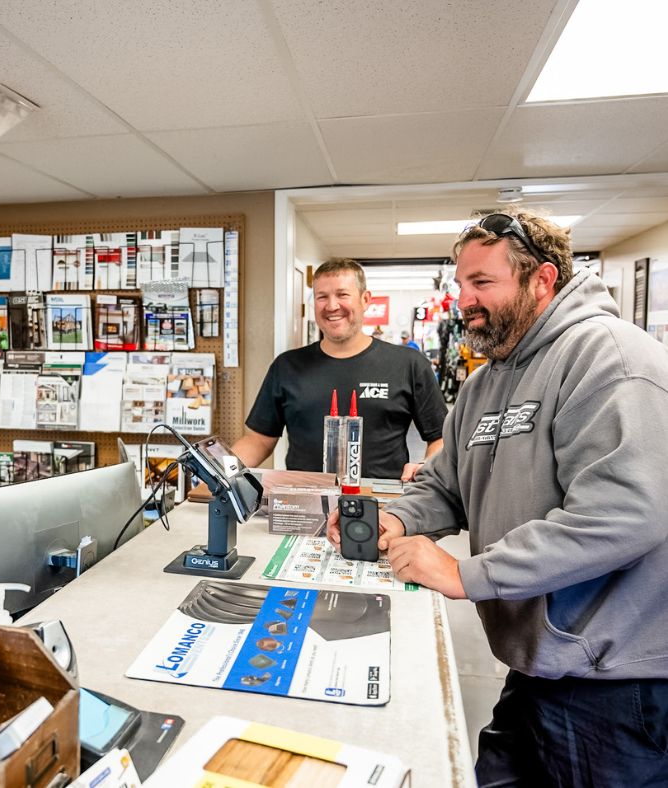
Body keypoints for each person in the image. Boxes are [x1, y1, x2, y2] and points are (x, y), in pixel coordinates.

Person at [328, 210, 668, 785]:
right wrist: (396, 518)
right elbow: (447, 485)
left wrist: (469, 575)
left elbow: (623, 515)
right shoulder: (489, 380)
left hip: (615, 686)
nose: (465, 300)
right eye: (461, 284)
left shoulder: (608, 357)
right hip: (538, 668)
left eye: (483, 283)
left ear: (543, 280)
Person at [232, 258, 446, 481]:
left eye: (342, 295)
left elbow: (440, 437)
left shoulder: (408, 363)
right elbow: (258, 440)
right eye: (322, 297)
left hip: (383, 506)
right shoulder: (287, 366)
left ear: (365, 300)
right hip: (305, 505)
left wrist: (425, 468)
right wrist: (220, 471)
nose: (332, 306)